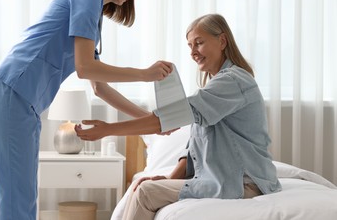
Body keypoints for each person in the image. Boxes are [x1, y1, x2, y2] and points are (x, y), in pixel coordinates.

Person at [0, 0, 173, 219]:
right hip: (13, 89)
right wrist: (144, 74)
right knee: (18, 195)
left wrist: (150, 120)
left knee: (23, 194)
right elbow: (85, 68)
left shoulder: (93, 14)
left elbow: (100, 89)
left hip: (21, 98)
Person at [76, 13, 282, 220]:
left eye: (199, 43)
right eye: (190, 46)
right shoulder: (216, 84)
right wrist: (168, 179)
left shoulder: (234, 81)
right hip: (226, 179)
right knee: (146, 186)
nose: (193, 52)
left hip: (244, 183)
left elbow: (166, 119)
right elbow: (194, 148)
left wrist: (109, 129)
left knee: (146, 192)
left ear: (222, 41)